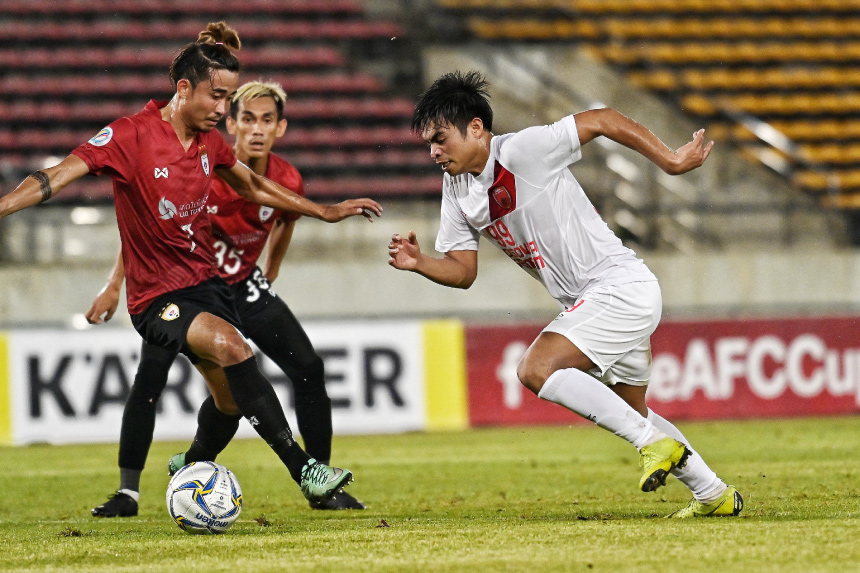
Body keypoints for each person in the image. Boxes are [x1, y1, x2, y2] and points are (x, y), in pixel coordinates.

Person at [0, 22, 380, 512]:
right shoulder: (130, 135)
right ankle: (305, 470)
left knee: (228, 403)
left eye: (228, 99)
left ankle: (192, 462)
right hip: (156, 298)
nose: (223, 110)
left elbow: (253, 187)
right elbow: (55, 176)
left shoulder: (209, 143)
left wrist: (323, 211)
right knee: (230, 347)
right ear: (183, 89)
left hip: (207, 286)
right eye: (217, 97)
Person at [388, 71, 742, 518]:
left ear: (476, 127)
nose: (434, 151)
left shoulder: (521, 151)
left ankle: (653, 445)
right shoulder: (457, 189)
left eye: (440, 138)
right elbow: (463, 271)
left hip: (620, 288)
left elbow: (602, 118)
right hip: (592, 304)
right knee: (633, 410)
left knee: (535, 368)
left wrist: (670, 161)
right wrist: (420, 263)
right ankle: (715, 494)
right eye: (428, 144)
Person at [87, 81, 365, 517]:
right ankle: (128, 492)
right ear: (231, 123)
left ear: (281, 127)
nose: (256, 130)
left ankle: (322, 482)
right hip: (194, 287)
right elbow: (150, 232)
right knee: (151, 378)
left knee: (307, 368)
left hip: (245, 287)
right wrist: (114, 284)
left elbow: (286, 219)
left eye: (267, 120)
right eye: (248, 119)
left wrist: (271, 268)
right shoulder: (205, 172)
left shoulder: (287, 178)